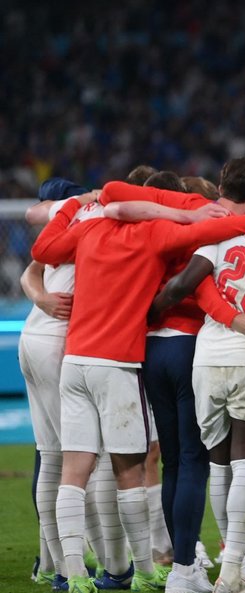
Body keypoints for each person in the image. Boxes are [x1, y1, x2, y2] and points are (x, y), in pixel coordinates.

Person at [30, 179, 245, 593]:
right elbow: (212, 230)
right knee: (135, 469)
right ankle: (149, 569)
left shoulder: (89, 228)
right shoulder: (153, 234)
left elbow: (44, 249)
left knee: (74, 469)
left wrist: (73, 205)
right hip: (119, 363)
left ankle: (74, 574)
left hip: (75, 361)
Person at [145, 158, 245, 593]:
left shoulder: (218, 233)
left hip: (207, 357)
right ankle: (232, 567)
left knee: (218, 463)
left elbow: (183, 285)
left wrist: (146, 314)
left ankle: (234, 567)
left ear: (222, 187)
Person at [19, 178, 100, 589]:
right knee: (76, 458)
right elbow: (32, 271)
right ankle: (73, 565)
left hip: (33, 338)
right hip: (54, 341)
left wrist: (39, 298)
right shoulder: (89, 220)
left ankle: (51, 563)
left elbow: (29, 272)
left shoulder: (62, 232)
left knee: (50, 458)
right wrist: (42, 299)